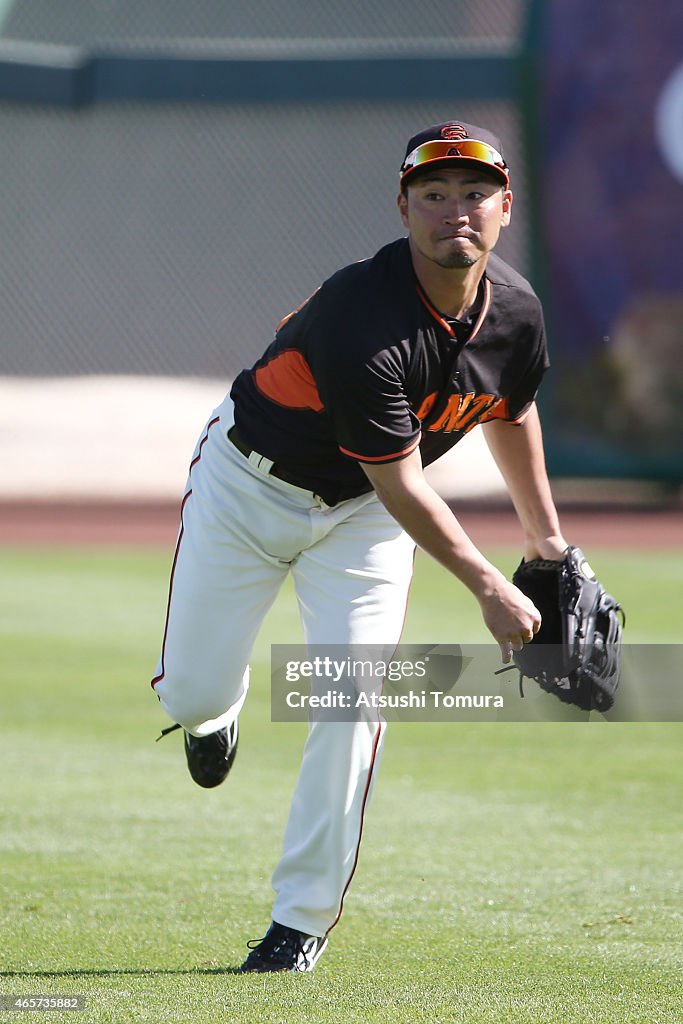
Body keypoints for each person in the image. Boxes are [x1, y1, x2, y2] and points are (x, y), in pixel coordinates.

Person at [150, 120, 568, 973]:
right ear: (403, 209)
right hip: (249, 486)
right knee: (190, 692)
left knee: (349, 702)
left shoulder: (516, 311)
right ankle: (213, 717)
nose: (457, 210)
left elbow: (510, 411)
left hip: (363, 522)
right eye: (434, 194)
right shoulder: (361, 316)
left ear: (505, 208)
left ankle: (298, 922)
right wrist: (489, 584)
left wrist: (548, 543)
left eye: (474, 193)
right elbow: (403, 482)